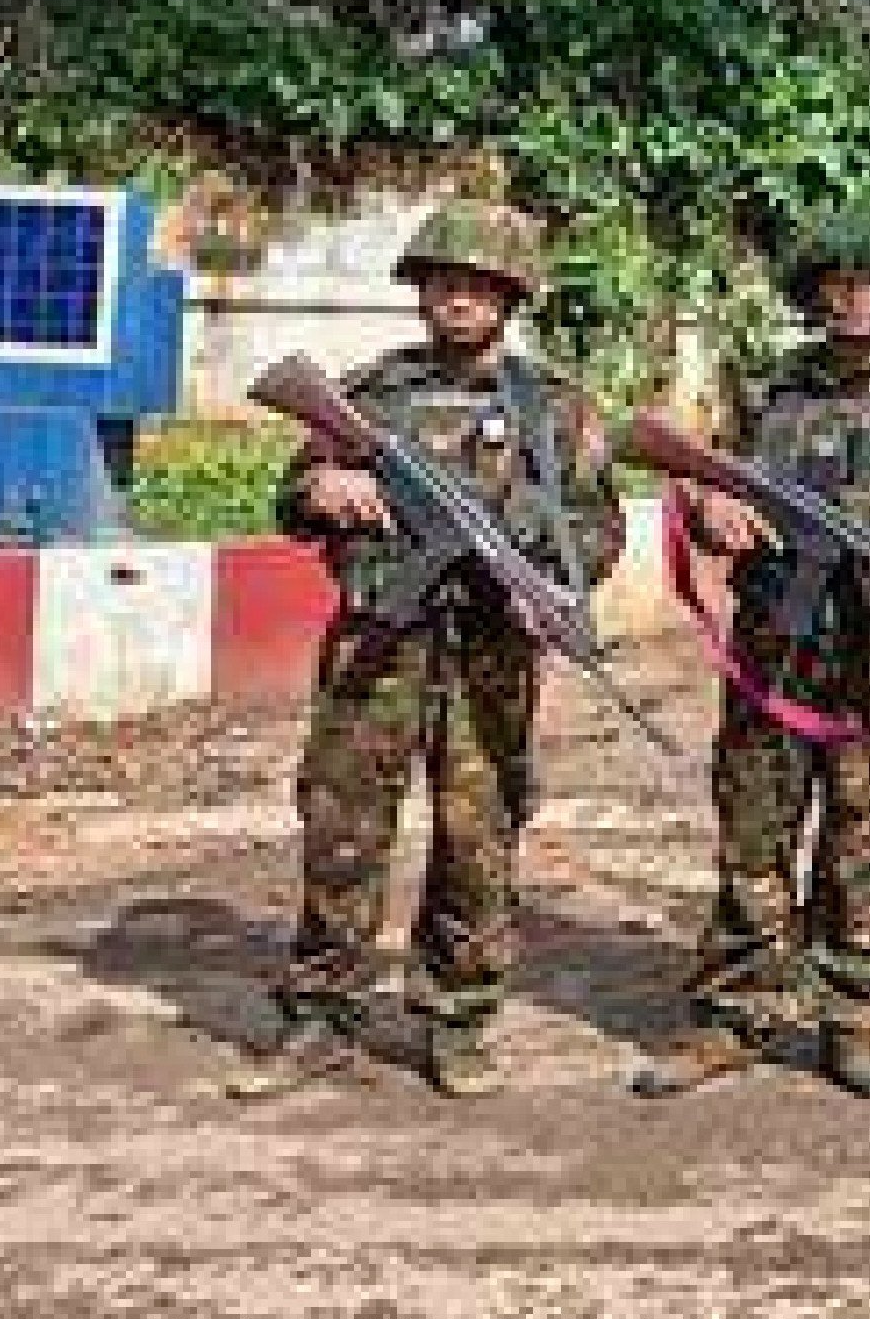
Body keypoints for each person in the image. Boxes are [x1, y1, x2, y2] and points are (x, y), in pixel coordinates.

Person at [230, 200, 624, 1100]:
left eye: (478, 285)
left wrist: (551, 591)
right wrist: (322, 485)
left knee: (477, 837)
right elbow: (291, 500)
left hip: (490, 651)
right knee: (341, 830)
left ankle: (456, 1017)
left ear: (510, 296)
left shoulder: (555, 408)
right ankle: (320, 1015)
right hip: (377, 643)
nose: (457, 298)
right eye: (443, 281)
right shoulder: (369, 394)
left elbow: (596, 532)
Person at [631, 203, 870, 1102]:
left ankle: (855, 1014)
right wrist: (708, 512)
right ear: (812, 290)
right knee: (753, 830)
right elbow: (693, 479)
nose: (853, 297)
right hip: (776, 644)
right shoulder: (764, 388)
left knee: (859, 837)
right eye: (837, 281)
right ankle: (736, 1013)